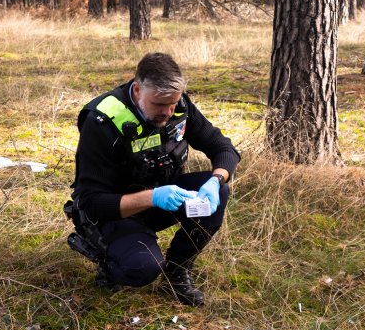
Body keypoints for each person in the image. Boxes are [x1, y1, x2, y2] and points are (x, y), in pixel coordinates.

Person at [66, 53, 240, 306]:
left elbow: (223, 148)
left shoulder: (178, 106)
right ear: (137, 90)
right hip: (115, 213)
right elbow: (91, 202)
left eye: (173, 103)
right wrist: (153, 197)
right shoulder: (103, 121)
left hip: (160, 200)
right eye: (159, 104)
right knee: (141, 268)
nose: (167, 112)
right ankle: (107, 259)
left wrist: (216, 180)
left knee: (220, 192)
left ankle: (177, 272)